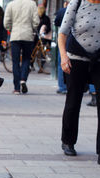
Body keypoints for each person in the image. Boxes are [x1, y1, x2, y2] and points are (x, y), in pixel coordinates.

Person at [58, 0, 100, 163]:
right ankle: (68, 141)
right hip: (76, 58)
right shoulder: (77, 3)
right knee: (73, 101)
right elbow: (62, 34)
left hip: (98, 60)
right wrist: (63, 57)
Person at [4, 0, 39, 95]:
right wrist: (32, 28)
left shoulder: (11, 4)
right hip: (28, 35)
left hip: (15, 35)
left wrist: (11, 28)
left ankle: (16, 88)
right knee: (26, 59)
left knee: (15, 62)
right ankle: (23, 79)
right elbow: (36, 21)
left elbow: (6, 22)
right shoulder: (32, 4)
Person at [54, 0, 69, 94]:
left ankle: (62, 87)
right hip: (77, 42)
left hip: (64, 40)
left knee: (62, 63)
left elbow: (56, 23)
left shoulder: (62, 11)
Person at [35, 5, 51, 74]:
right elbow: (49, 28)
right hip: (44, 37)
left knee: (37, 50)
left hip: (40, 37)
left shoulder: (37, 18)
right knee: (42, 51)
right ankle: (41, 66)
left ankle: (33, 65)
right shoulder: (46, 18)